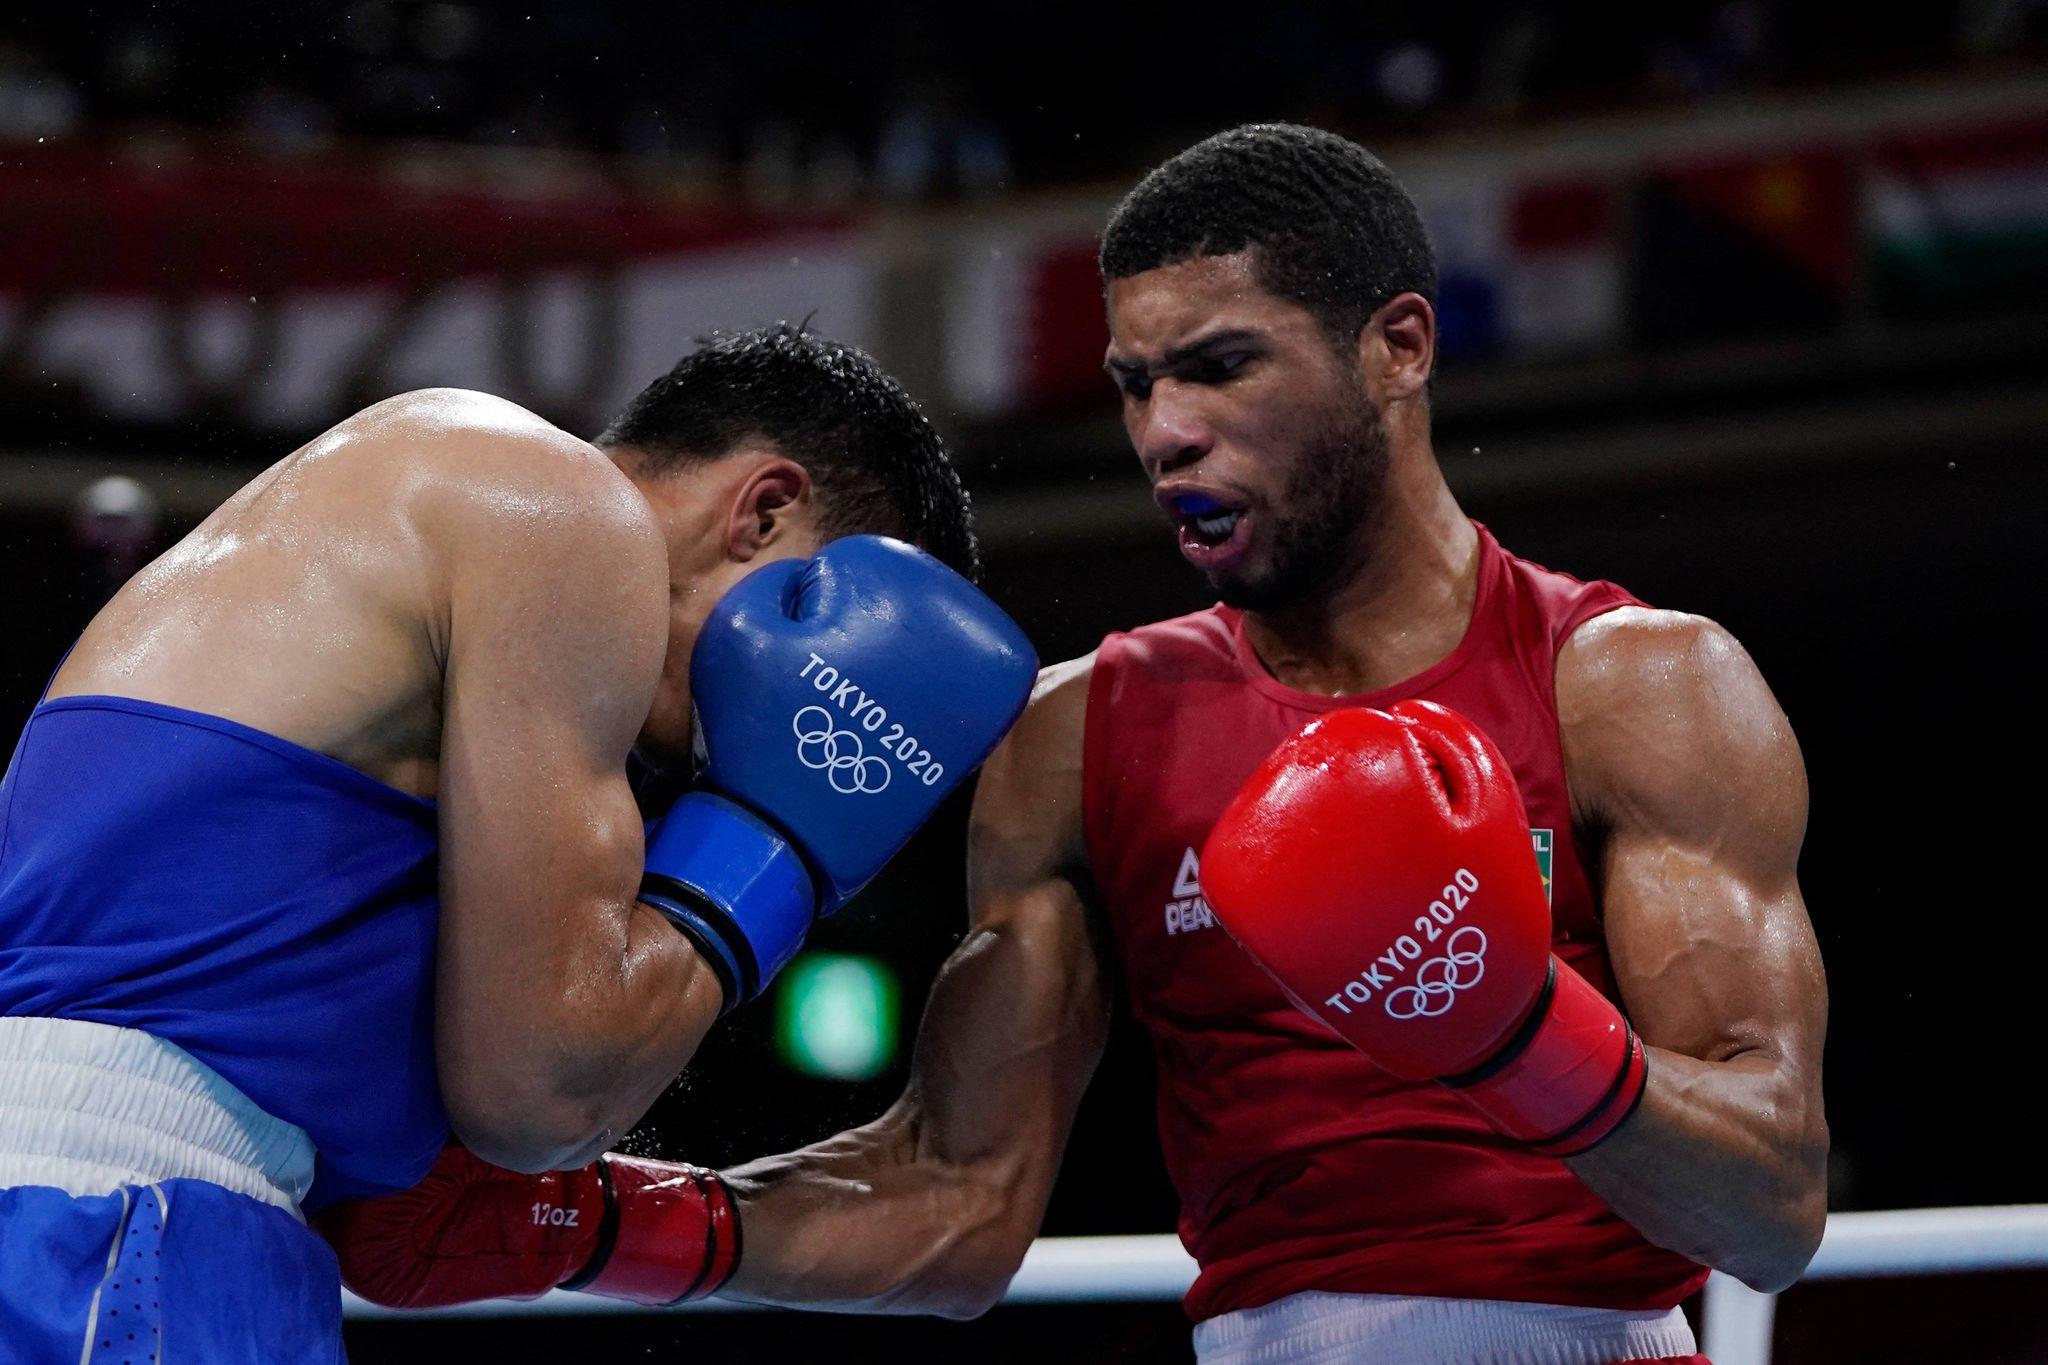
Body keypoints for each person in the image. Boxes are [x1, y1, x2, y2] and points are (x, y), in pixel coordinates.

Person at [328, 127, 1828, 1364]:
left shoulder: (1636, 688)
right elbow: (960, 1203)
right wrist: (589, 1223)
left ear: (1399, 349)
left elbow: (1771, 1206)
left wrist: (1511, 1025)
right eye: (1135, 384)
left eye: (1223, 366)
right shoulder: (1080, 729)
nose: (1165, 430)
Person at [0, 324, 1036, 1364]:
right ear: (763, 511)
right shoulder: (560, 509)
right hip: (101, 1227)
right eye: (825, 645)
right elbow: (543, 1094)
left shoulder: (410, 551)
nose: (741, 740)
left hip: (118, 1216)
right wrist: (780, 845)